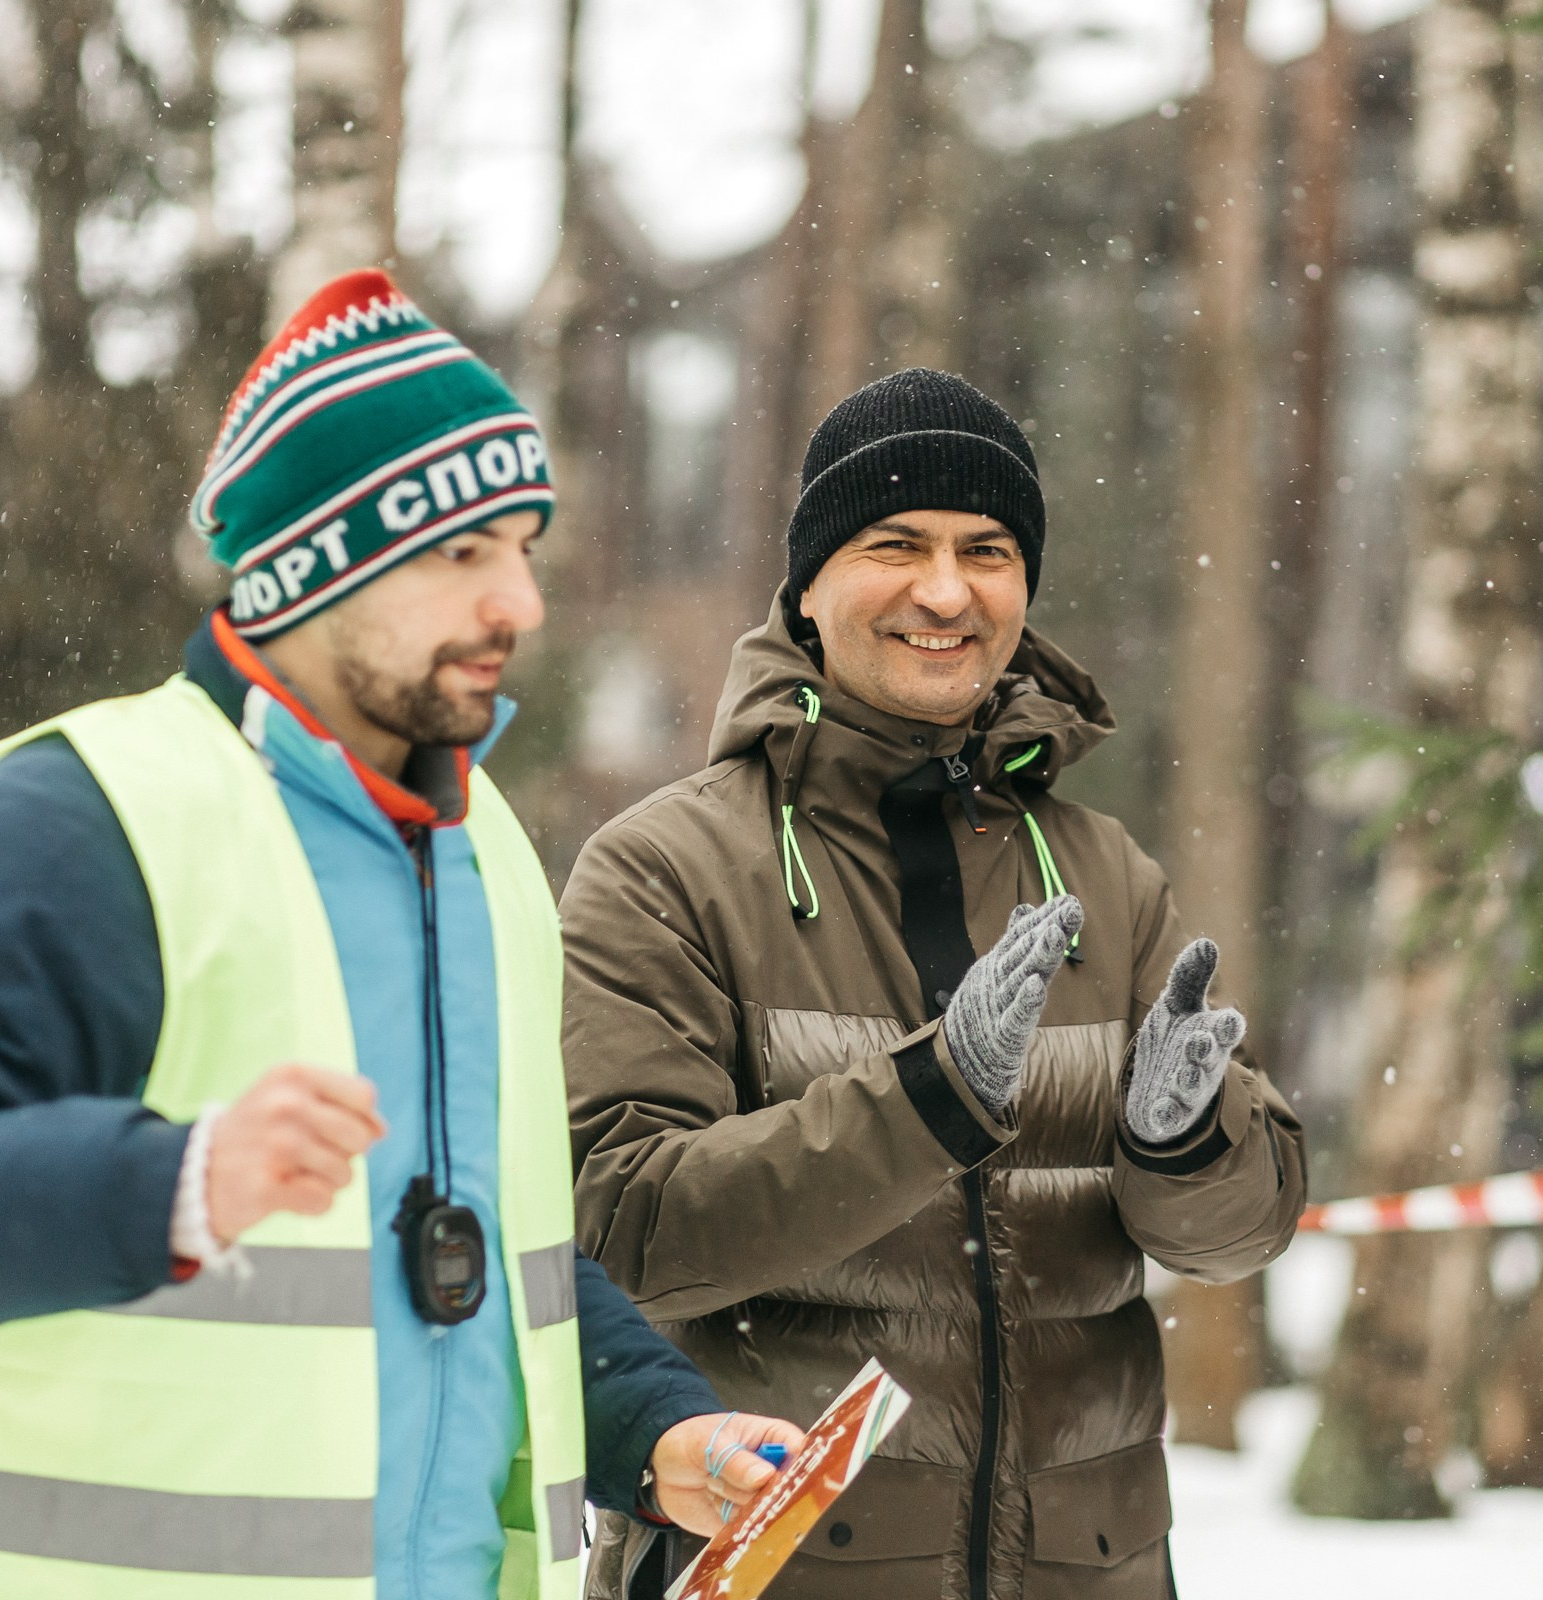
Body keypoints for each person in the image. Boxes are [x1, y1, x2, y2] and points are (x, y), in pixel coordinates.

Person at [0, 269, 801, 1600]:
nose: (521, 607)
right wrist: (166, 1186)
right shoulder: (80, 822)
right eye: (463, 553)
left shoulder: (484, 859)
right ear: (318, 567)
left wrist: (652, 1425)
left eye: (525, 551)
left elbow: (479, 1257)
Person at [560, 367, 1307, 1600]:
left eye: (989, 549)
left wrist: (1189, 1146)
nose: (946, 591)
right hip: (786, 1567)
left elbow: (1239, 1239)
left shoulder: (1104, 873)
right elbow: (623, 1234)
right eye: (895, 544)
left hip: (1090, 1568)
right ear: (808, 583)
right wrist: (927, 1102)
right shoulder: (663, 870)